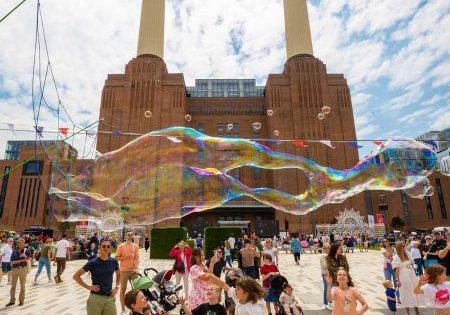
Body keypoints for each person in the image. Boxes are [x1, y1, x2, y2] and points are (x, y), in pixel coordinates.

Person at [73, 238, 120, 315]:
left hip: (110, 297)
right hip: (95, 298)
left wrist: (117, 287)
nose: (106, 248)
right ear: (99, 248)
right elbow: (76, 276)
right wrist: (88, 287)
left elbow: (119, 274)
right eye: (104, 246)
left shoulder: (114, 261)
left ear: (110, 248)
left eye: (108, 246)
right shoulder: (93, 263)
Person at [392, 242, 424, 315]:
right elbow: (397, 270)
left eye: (405, 245)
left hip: (412, 275)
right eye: (403, 246)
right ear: (399, 247)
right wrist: (397, 280)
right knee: (405, 293)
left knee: (414, 292)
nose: (405, 246)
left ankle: (417, 312)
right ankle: (407, 313)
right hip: (403, 276)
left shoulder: (407, 253)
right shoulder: (396, 257)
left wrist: (414, 267)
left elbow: (412, 263)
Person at [116, 231, 140, 315]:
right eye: (128, 235)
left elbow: (137, 258)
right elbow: (117, 258)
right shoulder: (121, 246)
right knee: (123, 290)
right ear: (126, 236)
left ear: (133, 236)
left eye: (131, 235)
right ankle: (123, 309)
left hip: (133, 271)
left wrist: (136, 268)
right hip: (124, 271)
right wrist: (125, 257)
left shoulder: (135, 246)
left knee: (136, 290)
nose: (130, 236)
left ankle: (135, 308)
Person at [5, 238, 31, 307]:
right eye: (20, 243)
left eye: (23, 243)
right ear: (18, 244)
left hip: (23, 269)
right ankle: (12, 300)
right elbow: (11, 262)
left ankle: (21, 301)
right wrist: (21, 260)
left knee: (22, 286)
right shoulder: (14, 252)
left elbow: (29, 259)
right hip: (15, 269)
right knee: (13, 286)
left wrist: (25, 256)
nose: (21, 244)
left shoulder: (27, 250)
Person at [320, 243, 331, 310]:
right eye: (325, 248)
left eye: (328, 248)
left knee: (332, 288)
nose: (327, 249)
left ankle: (331, 302)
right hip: (326, 274)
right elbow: (325, 266)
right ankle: (325, 303)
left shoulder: (330, 255)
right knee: (326, 288)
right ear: (323, 249)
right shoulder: (323, 256)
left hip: (332, 274)